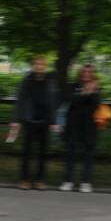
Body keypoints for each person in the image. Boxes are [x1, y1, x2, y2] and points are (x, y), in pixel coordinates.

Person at [12, 55, 59, 189]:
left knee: (43, 153)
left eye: (42, 65)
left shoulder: (50, 81)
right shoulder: (27, 80)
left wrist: (53, 121)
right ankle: (25, 180)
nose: (39, 67)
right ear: (34, 66)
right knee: (27, 152)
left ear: (45, 66)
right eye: (37, 64)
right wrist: (16, 119)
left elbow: (52, 102)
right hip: (30, 120)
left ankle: (40, 180)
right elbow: (20, 101)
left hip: (45, 120)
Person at [59, 64, 101, 193]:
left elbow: (96, 104)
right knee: (70, 154)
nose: (86, 74)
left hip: (90, 126)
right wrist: (85, 93)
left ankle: (86, 182)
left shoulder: (97, 88)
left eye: (89, 72)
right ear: (80, 73)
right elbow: (72, 101)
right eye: (84, 72)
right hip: (73, 125)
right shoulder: (73, 86)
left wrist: (92, 92)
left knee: (88, 154)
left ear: (92, 74)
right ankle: (68, 181)